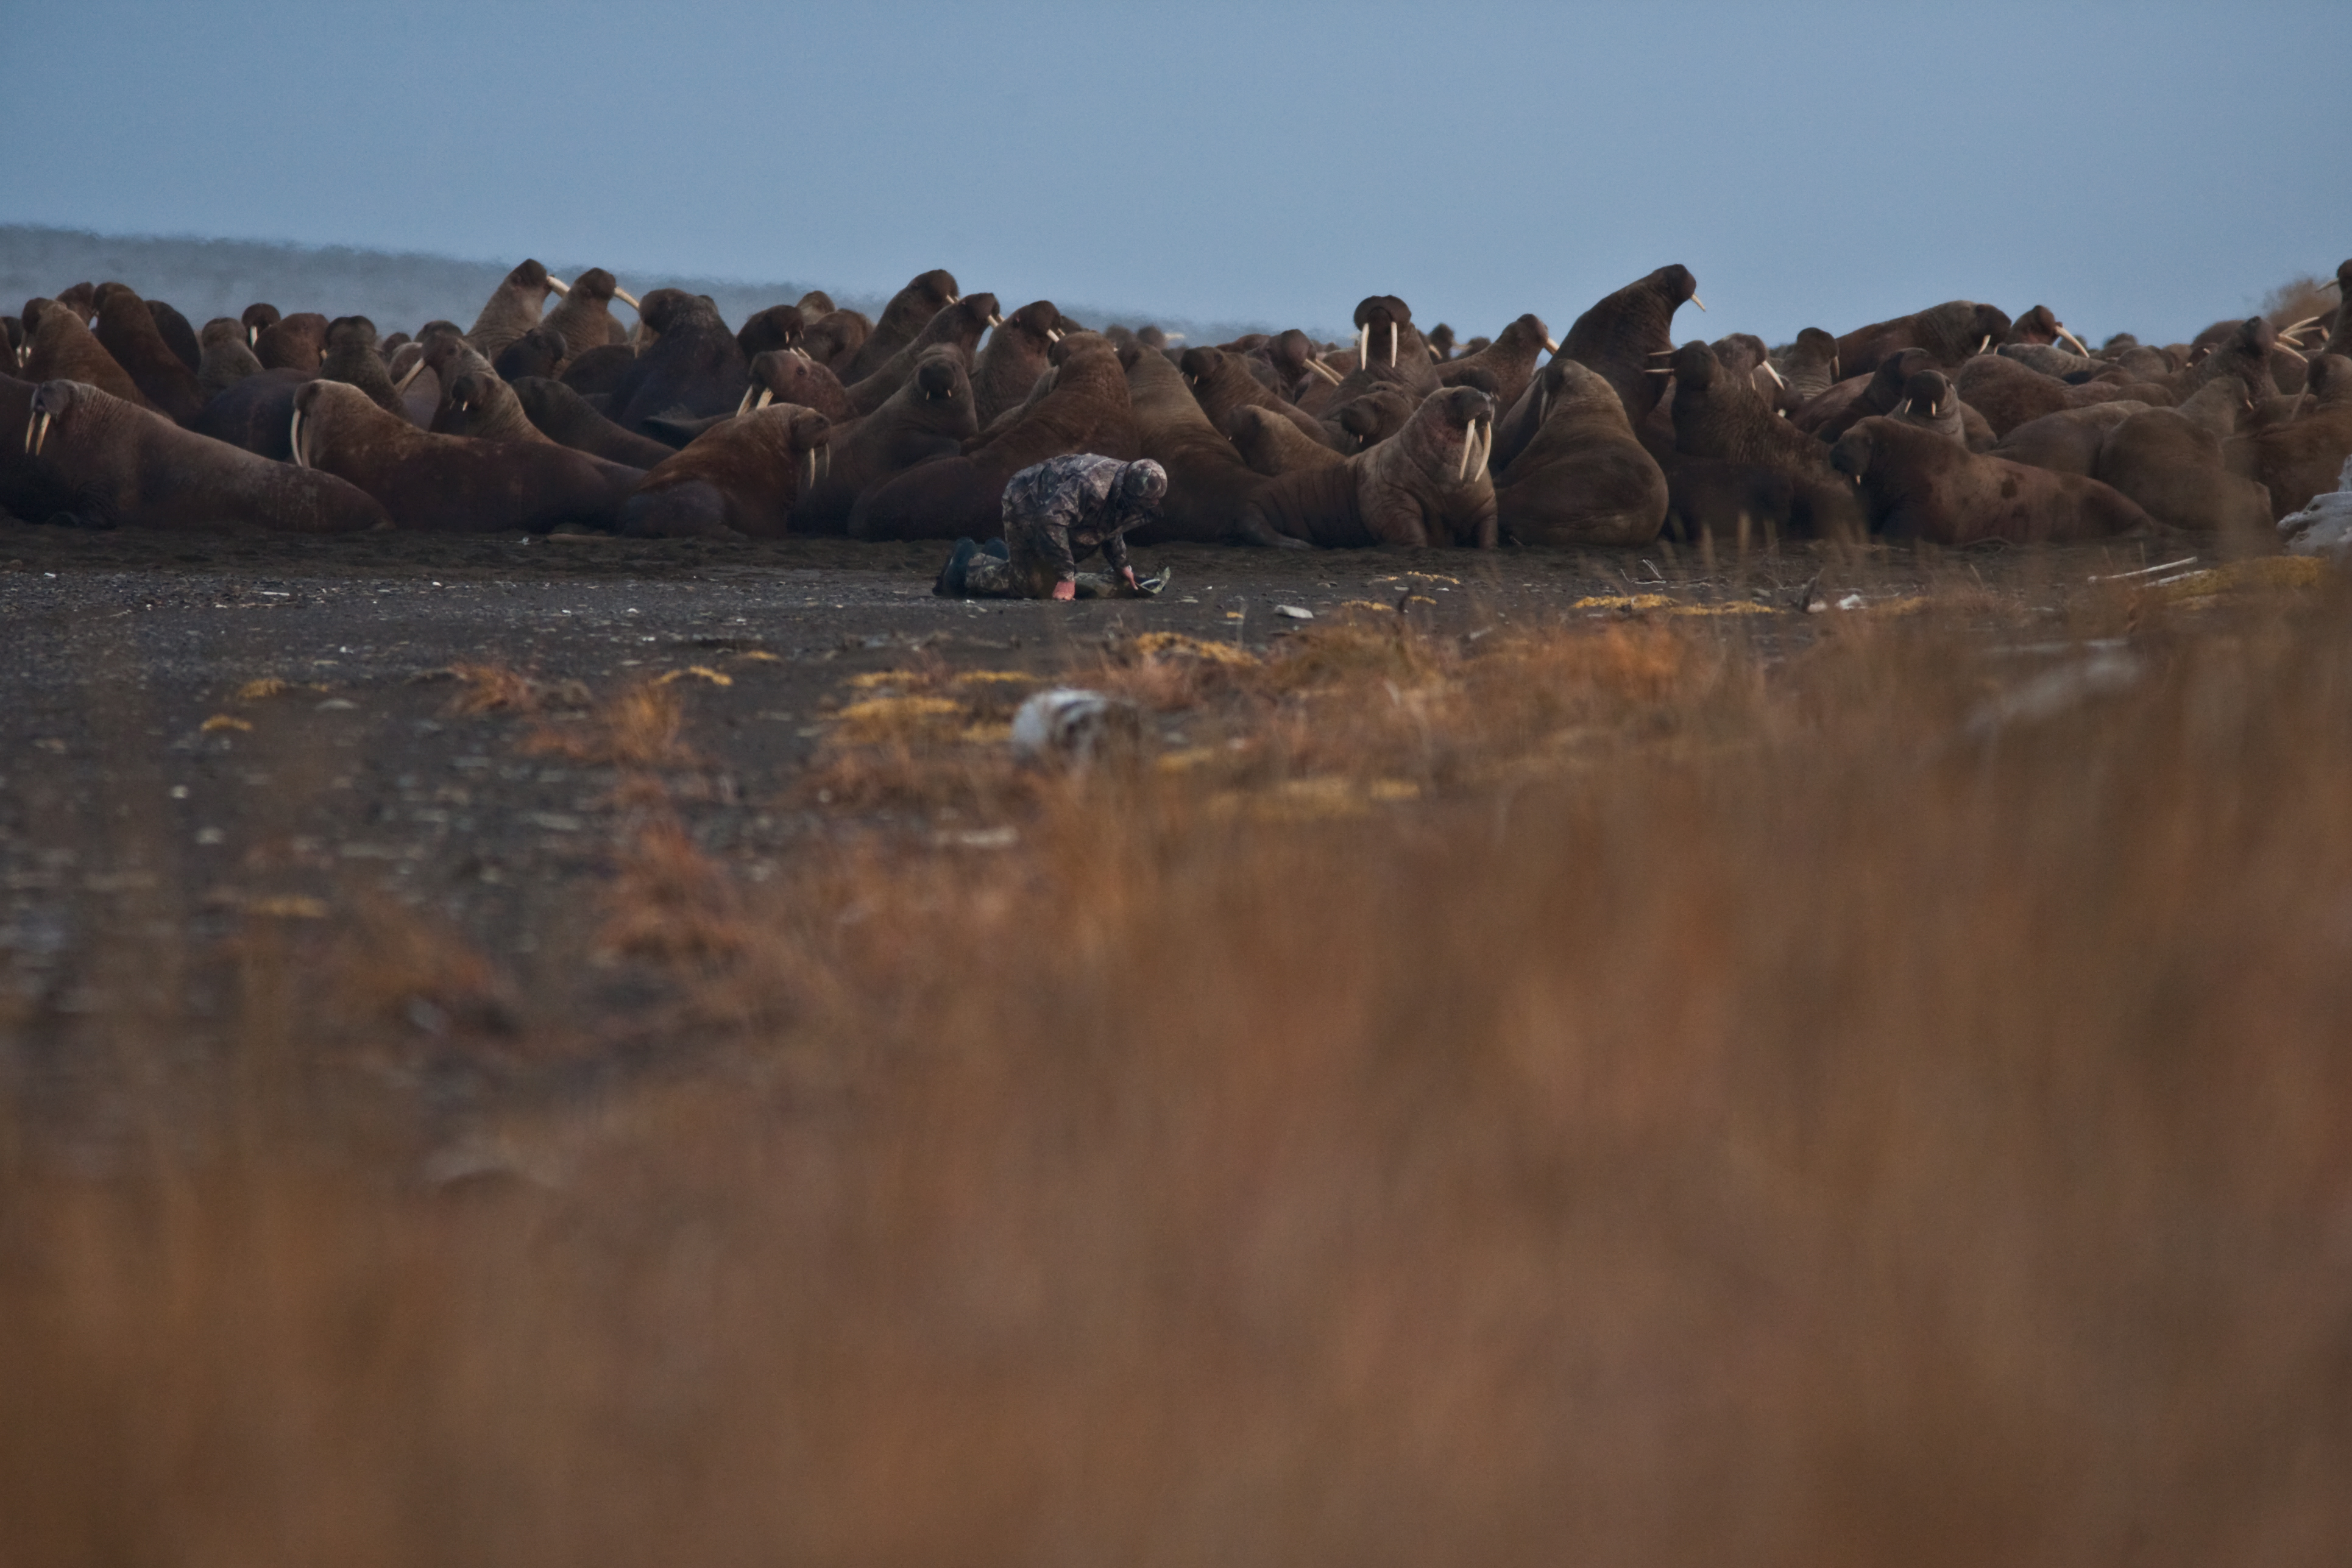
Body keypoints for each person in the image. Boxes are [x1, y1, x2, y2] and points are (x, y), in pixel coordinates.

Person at [934, 455, 1170, 599]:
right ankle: (964, 564)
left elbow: (1108, 525)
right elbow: (1050, 520)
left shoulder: (1123, 486)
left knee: (1045, 572)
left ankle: (1001, 555)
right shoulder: (1091, 485)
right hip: (1026, 499)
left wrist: (1121, 565)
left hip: (1051, 506)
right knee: (1029, 587)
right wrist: (1066, 577)